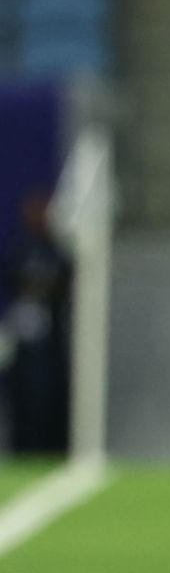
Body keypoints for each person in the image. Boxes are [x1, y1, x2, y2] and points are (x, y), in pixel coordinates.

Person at [3, 189, 72, 455]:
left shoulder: (58, 250)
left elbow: (65, 283)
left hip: (51, 342)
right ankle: (22, 448)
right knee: (23, 396)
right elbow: (14, 279)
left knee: (50, 395)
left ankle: (54, 448)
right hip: (24, 343)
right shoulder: (20, 248)